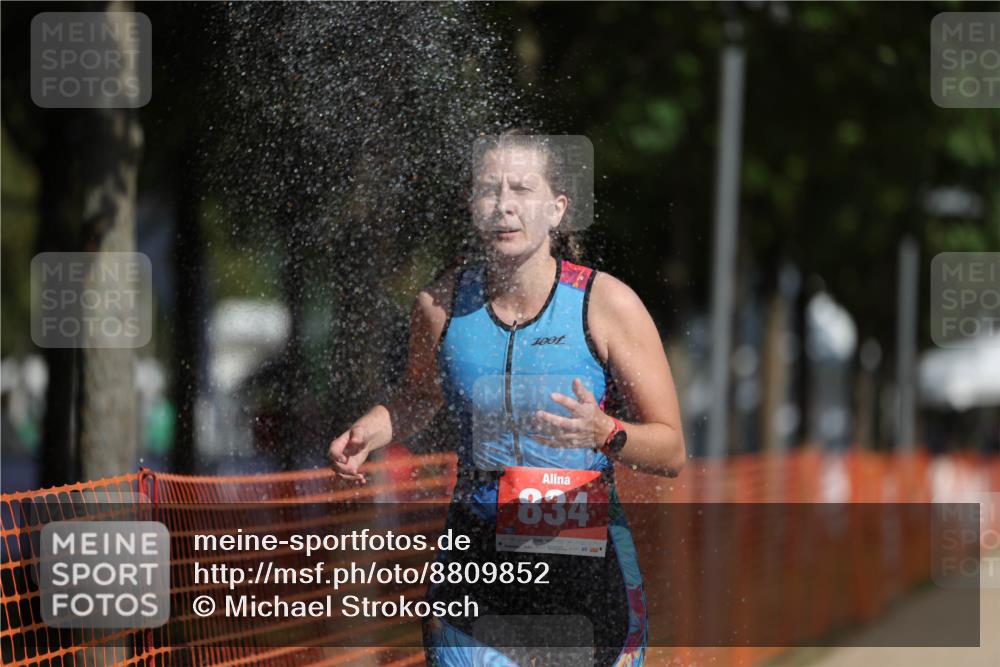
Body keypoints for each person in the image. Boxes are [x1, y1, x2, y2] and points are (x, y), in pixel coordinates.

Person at [329, 131, 685, 666]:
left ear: (556, 209)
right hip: (475, 564)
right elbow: (420, 395)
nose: (504, 205)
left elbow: (671, 450)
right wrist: (370, 431)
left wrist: (605, 432)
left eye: (521, 189)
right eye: (489, 190)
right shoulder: (440, 304)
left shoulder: (606, 304)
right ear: (473, 206)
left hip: (585, 572)